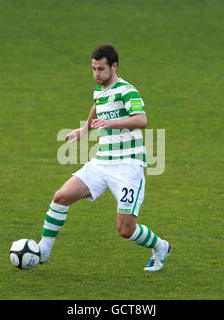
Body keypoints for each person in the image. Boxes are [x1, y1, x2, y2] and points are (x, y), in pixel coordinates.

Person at [38, 44, 171, 271]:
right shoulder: (100, 90)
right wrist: (83, 130)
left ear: (114, 66)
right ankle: (43, 250)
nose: (96, 74)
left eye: (100, 69)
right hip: (101, 163)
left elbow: (141, 120)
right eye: (93, 69)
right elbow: (97, 106)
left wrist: (112, 123)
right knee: (61, 196)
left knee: (126, 230)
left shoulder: (127, 90)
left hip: (128, 167)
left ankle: (160, 246)